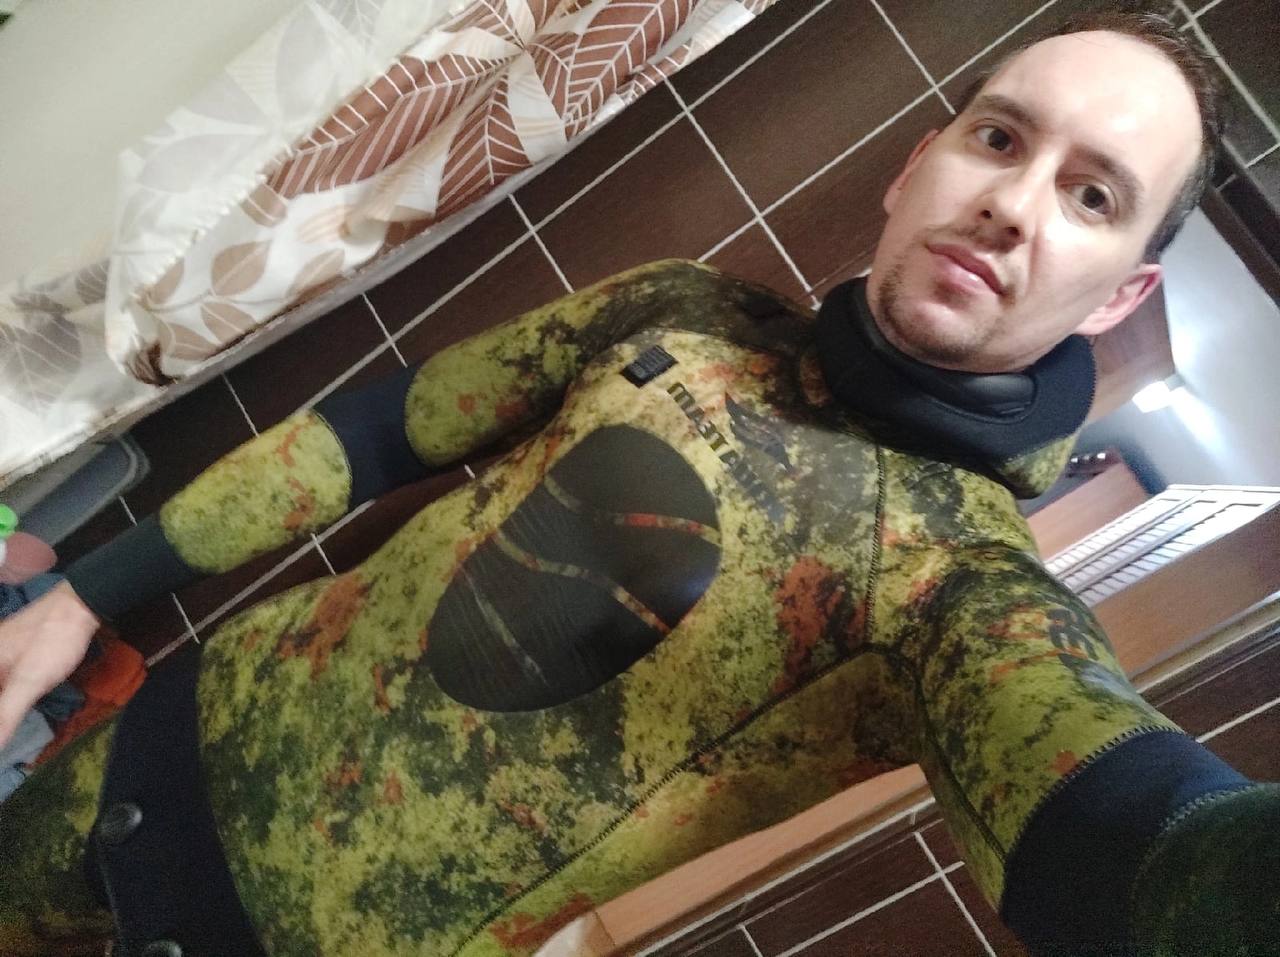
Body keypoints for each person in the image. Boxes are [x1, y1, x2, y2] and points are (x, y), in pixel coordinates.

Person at [1, 10, 1276, 956]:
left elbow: (1125, 836)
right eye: (997, 137)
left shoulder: (966, 591)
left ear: (1116, 297)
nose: (1012, 202)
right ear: (912, 169)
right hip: (140, 758)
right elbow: (379, 434)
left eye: (1090, 195)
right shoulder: (682, 308)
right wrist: (90, 592)